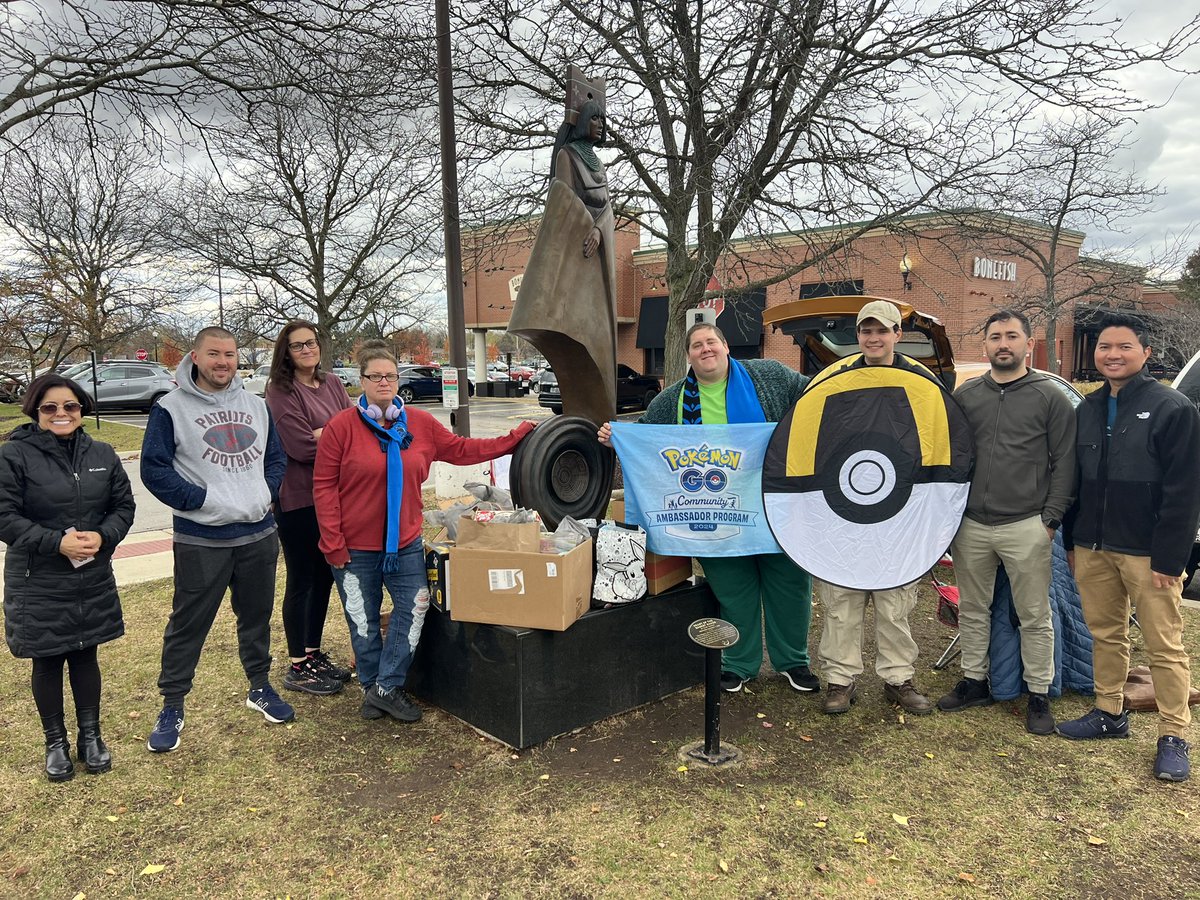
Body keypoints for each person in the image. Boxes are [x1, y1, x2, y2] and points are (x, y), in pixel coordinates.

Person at [313, 346, 536, 722]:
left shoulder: (419, 424)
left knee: (414, 610)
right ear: (361, 383)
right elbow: (323, 487)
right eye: (375, 377)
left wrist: (513, 439)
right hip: (354, 549)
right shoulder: (341, 428)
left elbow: (463, 450)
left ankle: (385, 687)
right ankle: (373, 688)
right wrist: (332, 542)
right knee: (363, 621)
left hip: (405, 545)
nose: (384, 382)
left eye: (391, 376)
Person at [599, 322, 817, 695]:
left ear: (726, 346)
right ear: (689, 356)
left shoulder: (770, 376)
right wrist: (618, 437)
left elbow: (814, 393)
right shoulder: (671, 401)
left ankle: (793, 660)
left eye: (711, 341)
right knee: (733, 588)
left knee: (788, 582)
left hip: (773, 503)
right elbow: (649, 441)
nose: (705, 349)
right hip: (714, 511)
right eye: (697, 345)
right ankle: (739, 662)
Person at [1059, 313, 1200, 781]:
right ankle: (1109, 713)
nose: (1112, 355)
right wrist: (1072, 539)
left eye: (1122, 347)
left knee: (1164, 645)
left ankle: (1174, 735)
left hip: (1147, 552)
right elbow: (1078, 482)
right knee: (1106, 633)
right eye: (1103, 347)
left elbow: (1185, 491)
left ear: (1145, 353)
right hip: (1094, 546)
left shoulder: (1173, 408)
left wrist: (1171, 557)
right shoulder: (1089, 407)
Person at [141, 326, 289, 753]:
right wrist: (202, 500)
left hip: (258, 534)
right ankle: (172, 705)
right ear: (195, 356)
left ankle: (259, 686)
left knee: (256, 616)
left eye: (229, 354)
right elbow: (154, 469)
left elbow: (274, 458)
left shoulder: (256, 406)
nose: (223, 362)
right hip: (202, 538)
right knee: (188, 624)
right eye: (214, 354)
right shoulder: (170, 408)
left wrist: (264, 493)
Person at [937, 309, 1075, 735]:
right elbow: (951, 455)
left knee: (1033, 614)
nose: (1003, 344)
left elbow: (1066, 463)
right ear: (985, 345)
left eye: (1012, 336)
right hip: (972, 525)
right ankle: (974, 681)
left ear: (1028, 344)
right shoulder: (968, 395)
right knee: (974, 609)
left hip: (1026, 524)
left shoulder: (1050, 396)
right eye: (995, 336)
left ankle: (1038, 693)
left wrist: (1049, 520)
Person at [0, 375, 135, 781]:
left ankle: (90, 736)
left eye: (70, 406)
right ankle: (54, 742)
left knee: (84, 654)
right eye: (50, 408)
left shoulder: (103, 453)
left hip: (89, 576)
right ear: (35, 411)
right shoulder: (13, 456)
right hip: (37, 577)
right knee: (47, 659)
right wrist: (55, 543)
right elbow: (5, 517)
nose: (62, 414)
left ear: (82, 409)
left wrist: (103, 535)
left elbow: (123, 507)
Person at [812, 300, 935, 716]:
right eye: (866, 331)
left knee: (894, 600)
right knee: (841, 598)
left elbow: (938, 446)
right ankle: (839, 679)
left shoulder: (921, 380)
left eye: (881, 330)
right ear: (858, 336)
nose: (873, 338)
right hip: (843, 506)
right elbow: (815, 441)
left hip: (901, 510)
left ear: (897, 334)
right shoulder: (836, 378)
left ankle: (898, 679)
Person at [265, 321, 353, 696]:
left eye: (311, 343)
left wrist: (328, 432)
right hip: (299, 499)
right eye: (297, 345)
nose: (306, 350)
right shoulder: (279, 390)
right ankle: (298, 665)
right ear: (286, 352)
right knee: (302, 578)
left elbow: (355, 427)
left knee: (324, 577)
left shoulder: (332, 383)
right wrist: (336, 435)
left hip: (333, 496)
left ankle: (313, 652)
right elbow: (302, 447)